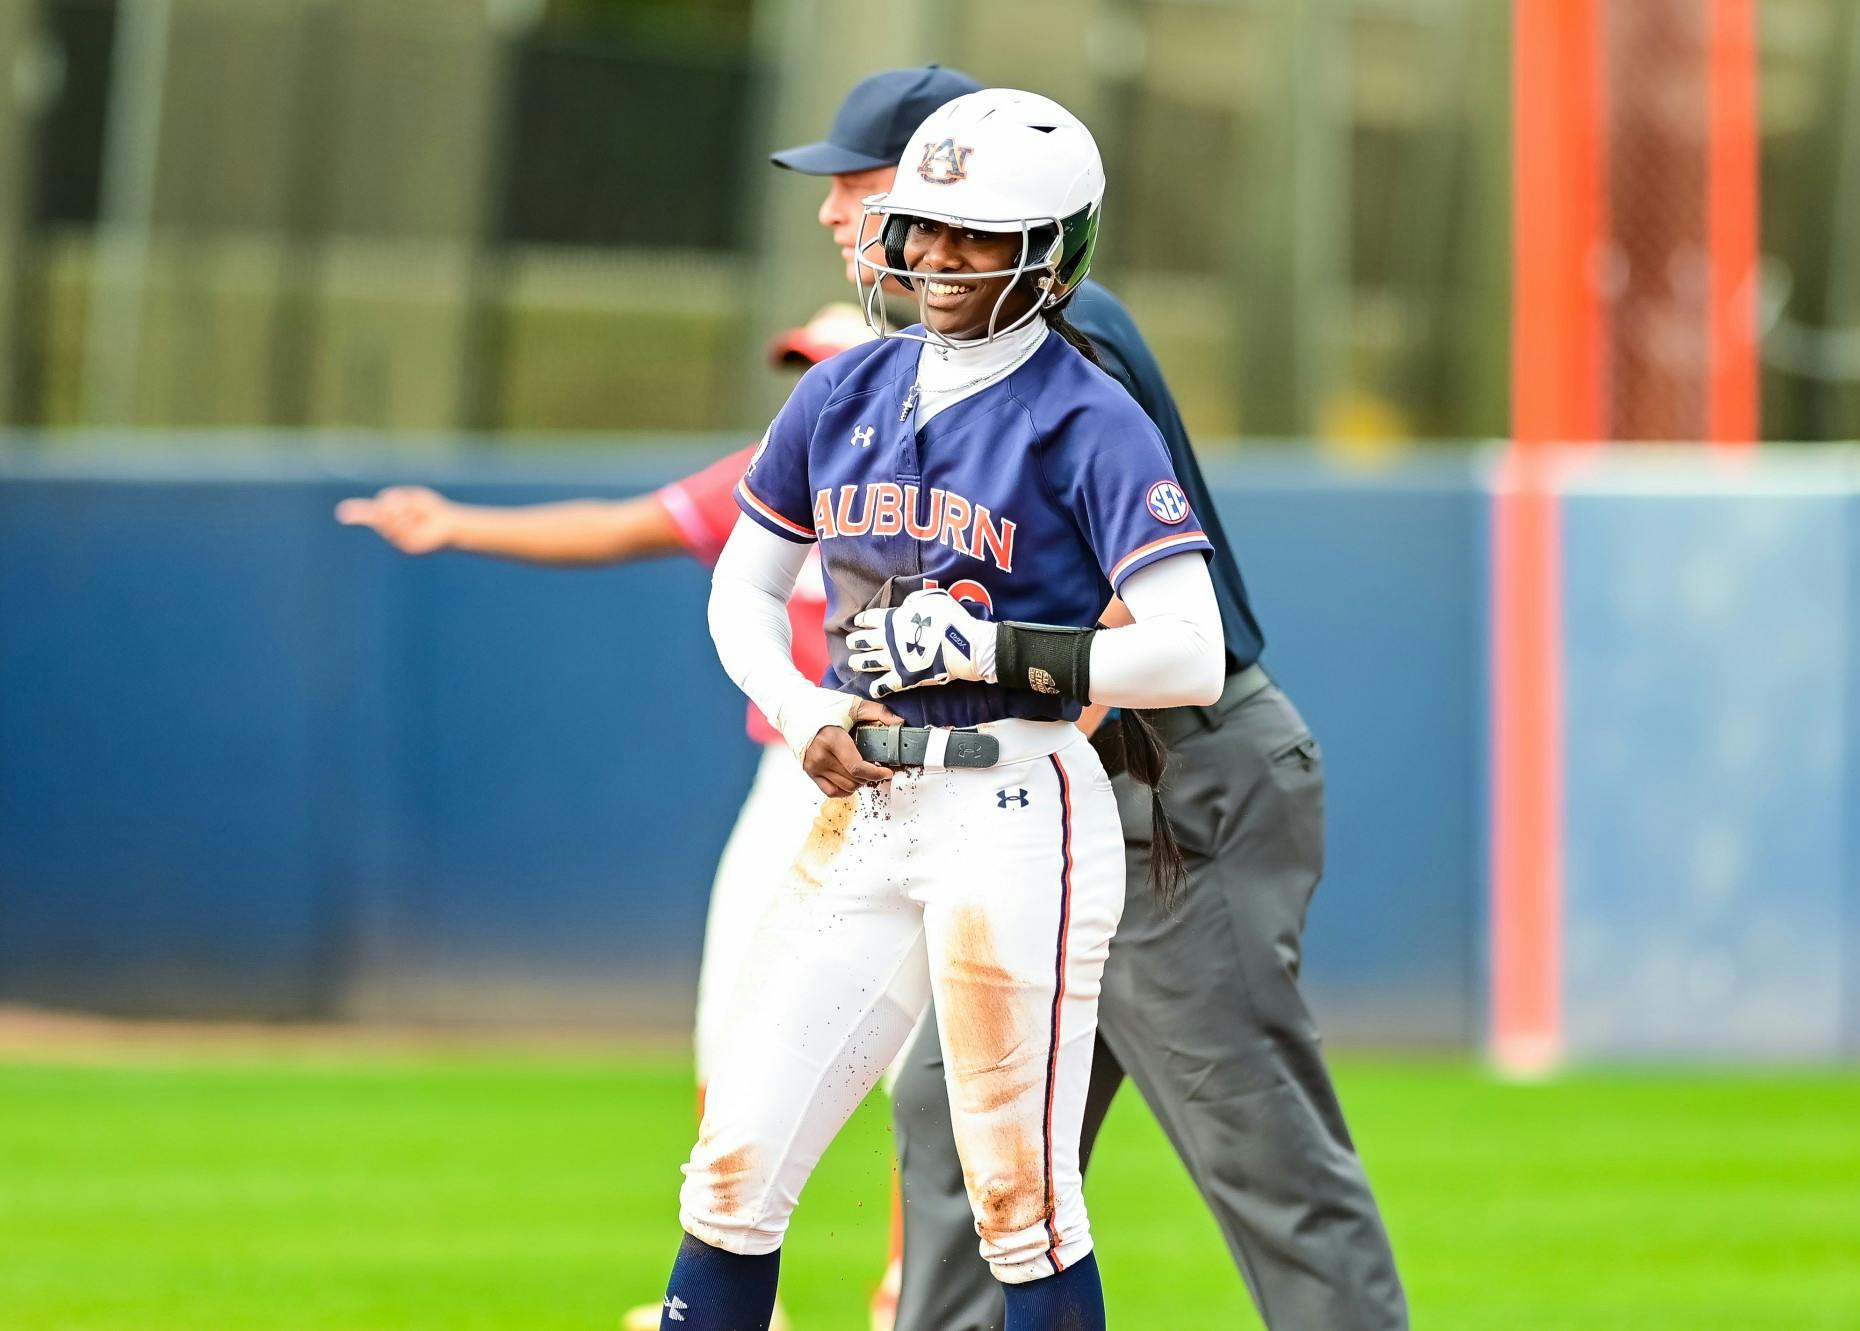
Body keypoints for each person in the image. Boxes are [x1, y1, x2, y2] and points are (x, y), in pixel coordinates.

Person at [771, 69, 1409, 1330]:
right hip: (1053, 800)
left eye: (860, 182)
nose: (839, 211)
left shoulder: (1059, 334)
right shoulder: (924, 360)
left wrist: (991, 706)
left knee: (1255, 1148)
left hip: (1170, 794)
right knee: (949, 1128)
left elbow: (1134, 615)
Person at [668, 88, 1223, 1331]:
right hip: (868, 796)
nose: (935, 256)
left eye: (977, 235)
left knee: (1019, 1199)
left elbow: (1188, 651)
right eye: (923, 225)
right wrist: (796, 698)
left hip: (1019, 798)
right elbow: (741, 587)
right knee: (733, 1165)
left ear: (1049, 249)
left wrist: (1010, 646)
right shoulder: (841, 388)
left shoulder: (1089, 414)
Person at [334, 303, 878, 1331]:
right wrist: (457, 522)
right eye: (803, 367)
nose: (812, 384)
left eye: (830, 365)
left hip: (917, 776)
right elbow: (625, 523)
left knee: (925, 1065)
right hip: (793, 775)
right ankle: (734, 1303)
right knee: (730, 1026)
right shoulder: (775, 470)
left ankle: (914, 1291)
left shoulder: (961, 476)